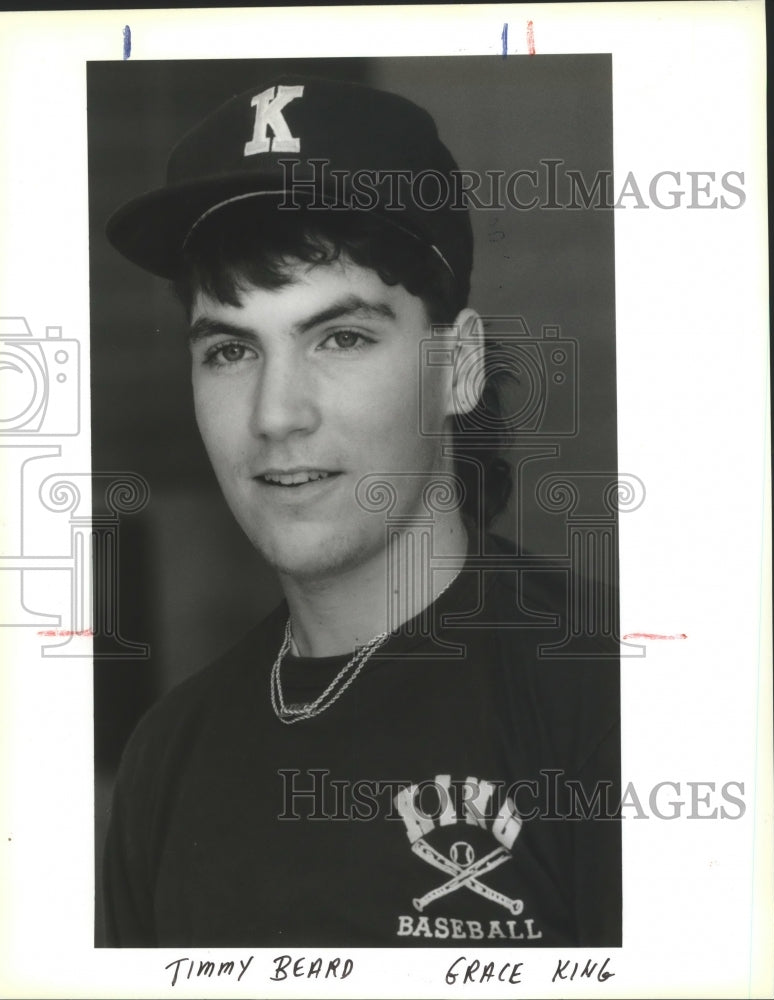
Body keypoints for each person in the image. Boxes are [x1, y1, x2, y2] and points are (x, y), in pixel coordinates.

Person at [102, 73, 620, 948]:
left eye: (340, 338)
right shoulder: (166, 757)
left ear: (457, 366)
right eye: (230, 350)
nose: (276, 415)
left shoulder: (611, 700)